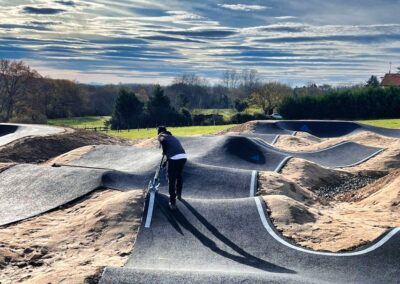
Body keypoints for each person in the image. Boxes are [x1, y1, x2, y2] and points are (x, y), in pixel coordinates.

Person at [157, 126, 187, 210]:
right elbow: (174, 150)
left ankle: (172, 202)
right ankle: (179, 194)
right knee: (179, 175)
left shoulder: (161, 136)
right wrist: (166, 162)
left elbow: (163, 142)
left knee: (171, 178)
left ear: (159, 132)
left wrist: (164, 151)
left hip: (174, 158)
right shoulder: (172, 137)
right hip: (183, 156)